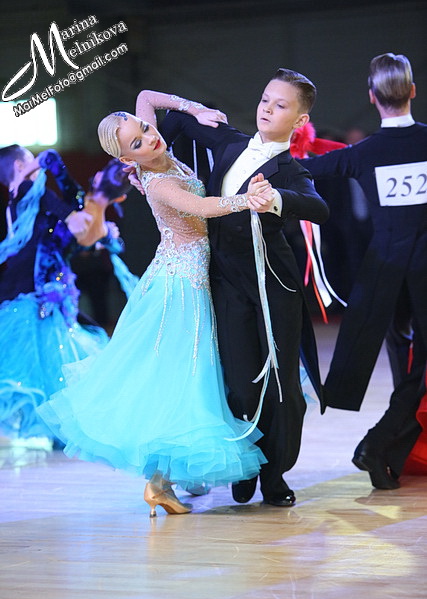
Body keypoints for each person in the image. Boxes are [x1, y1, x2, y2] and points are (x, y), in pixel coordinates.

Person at [37, 98, 272, 517]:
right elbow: (203, 208)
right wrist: (246, 200)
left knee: (183, 376)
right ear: (127, 159)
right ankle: (159, 482)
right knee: (183, 377)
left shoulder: (155, 149)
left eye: (145, 129)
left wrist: (195, 111)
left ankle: (167, 479)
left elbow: (145, 97)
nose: (150, 137)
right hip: (180, 285)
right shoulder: (158, 182)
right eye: (137, 142)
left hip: (183, 274)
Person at [148, 69, 329, 508]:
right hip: (225, 282)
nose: (267, 108)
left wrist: (276, 200)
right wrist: (193, 110)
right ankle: (245, 464)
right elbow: (166, 119)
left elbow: (318, 207)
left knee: (281, 385)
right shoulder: (229, 142)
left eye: (280, 105)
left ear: (300, 120)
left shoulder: (290, 170)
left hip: (274, 284)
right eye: (266, 99)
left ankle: (274, 474)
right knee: (241, 384)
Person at [297, 53, 427, 489]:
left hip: (384, 278)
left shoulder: (363, 154)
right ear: (412, 91)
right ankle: (379, 444)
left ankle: (387, 453)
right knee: (419, 373)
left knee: (406, 365)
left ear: (372, 97)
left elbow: (303, 168)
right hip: (424, 272)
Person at [0, 146, 131, 442]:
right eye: (31, 159)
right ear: (20, 166)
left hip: (47, 285)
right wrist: (73, 212)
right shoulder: (29, 193)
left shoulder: (27, 198)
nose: (38, 166)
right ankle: (63, 426)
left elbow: (68, 217)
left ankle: (62, 426)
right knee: (51, 354)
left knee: (54, 354)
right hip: (37, 287)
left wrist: (96, 233)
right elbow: (64, 210)